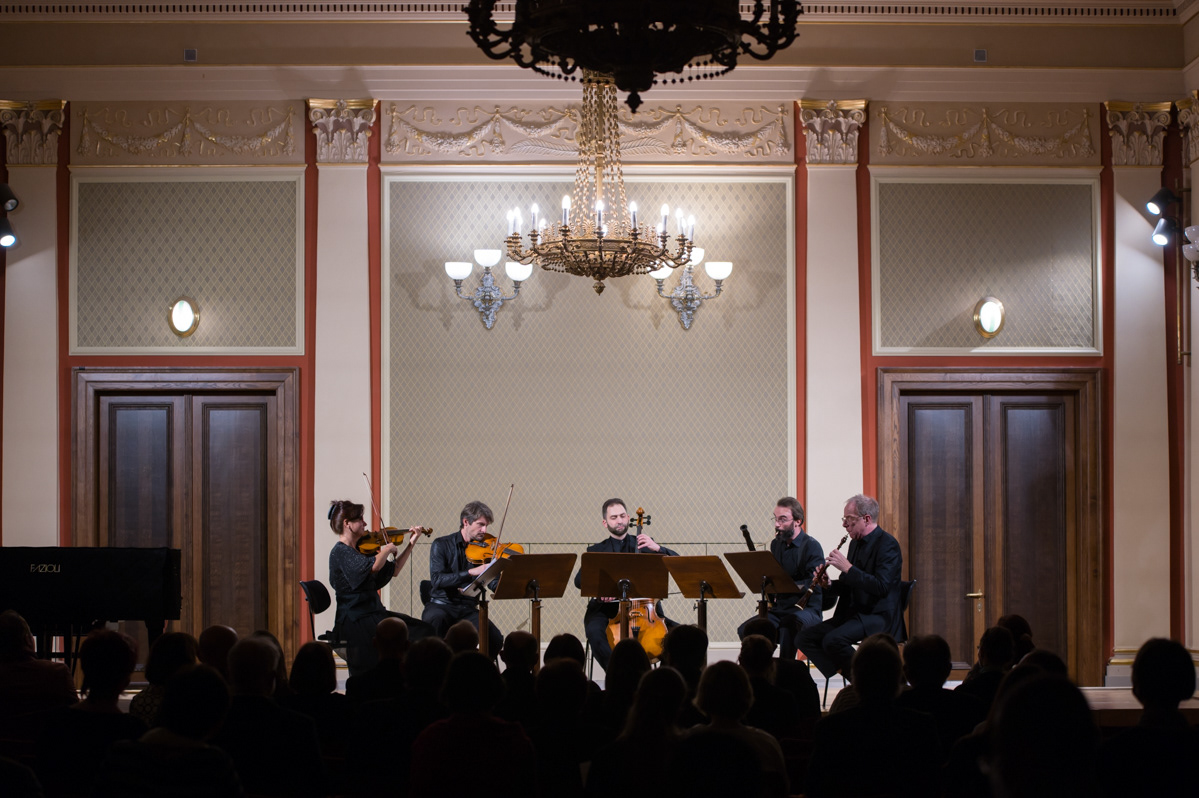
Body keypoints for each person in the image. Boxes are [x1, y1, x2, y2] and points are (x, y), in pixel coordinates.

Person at [796, 494, 902, 680]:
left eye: (849, 519)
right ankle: (853, 676)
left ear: (866, 519)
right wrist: (829, 585)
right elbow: (848, 585)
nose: (844, 524)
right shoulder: (854, 544)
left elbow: (881, 587)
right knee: (804, 638)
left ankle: (866, 682)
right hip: (853, 613)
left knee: (833, 641)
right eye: (844, 519)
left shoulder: (888, 545)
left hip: (877, 614)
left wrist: (848, 568)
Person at [328, 498, 434, 677]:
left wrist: (412, 542)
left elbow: (395, 570)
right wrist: (385, 550)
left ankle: (408, 680)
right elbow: (373, 567)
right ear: (347, 524)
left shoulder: (360, 552)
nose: (365, 523)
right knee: (398, 642)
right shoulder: (340, 551)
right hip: (356, 619)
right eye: (360, 519)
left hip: (374, 613)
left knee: (425, 631)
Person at [573, 498, 679, 671]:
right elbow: (579, 581)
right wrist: (601, 590)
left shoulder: (646, 545)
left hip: (647, 612)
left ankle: (659, 677)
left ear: (629, 518)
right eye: (614, 517)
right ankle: (616, 675)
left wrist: (658, 548)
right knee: (594, 633)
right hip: (606, 611)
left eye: (622, 516)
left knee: (683, 636)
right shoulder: (597, 550)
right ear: (605, 523)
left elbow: (678, 564)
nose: (619, 520)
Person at [737, 497, 824, 662]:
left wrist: (787, 585)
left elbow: (814, 582)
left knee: (788, 625)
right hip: (781, 609)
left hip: (807, 610)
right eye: (775, 519)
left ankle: (786, 668)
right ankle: (763, 667)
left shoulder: (811, 546)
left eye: (783, 519)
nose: (777, 524)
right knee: (746, 630)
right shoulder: (776, 545)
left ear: (798, 521)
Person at [421, 500, 504, 656]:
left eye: (486, 526)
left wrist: (504, 580)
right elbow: (437, 580)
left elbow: (492, 582)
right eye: (480, 525)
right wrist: (471, 572)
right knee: (434, 625)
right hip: (442, 604)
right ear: (466, 522)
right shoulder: (441, 544)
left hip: (467, 608)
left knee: (495, 639)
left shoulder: (486, 549)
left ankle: (475, 668)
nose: (484, 530)